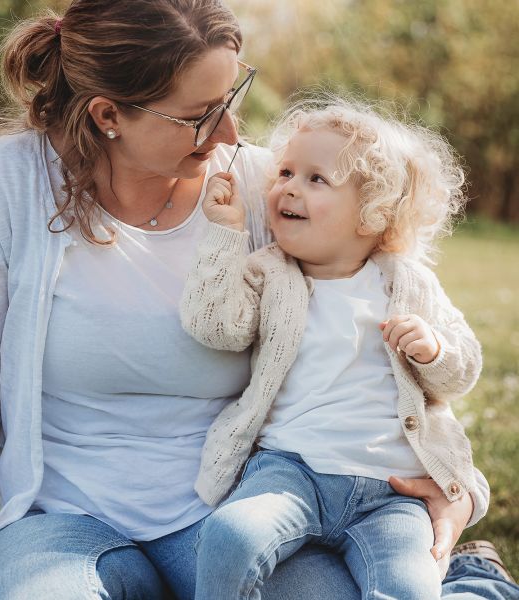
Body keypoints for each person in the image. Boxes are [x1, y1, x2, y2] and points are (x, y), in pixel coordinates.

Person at [0, 1, 515, 599]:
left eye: (232, 97)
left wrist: (452, 481)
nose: (232, 133)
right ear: (108, 115)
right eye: (201, 115)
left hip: (238, 511)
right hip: (60, 524)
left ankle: (469, 579)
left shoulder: (267, 191)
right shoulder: (9, 182)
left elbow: (376, 316)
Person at [179, 96, 508, 599]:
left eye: (316, 179)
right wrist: (225, 234)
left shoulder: (407, 284)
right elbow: (217, 326)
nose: (288, 186)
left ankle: (478, 582)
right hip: (292, 472)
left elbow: (460, 371)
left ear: (371, 215)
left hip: (392, 493)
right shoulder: (269, 271)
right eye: (286, 171)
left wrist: (434, 349)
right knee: (230, 535)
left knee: (410, 586)